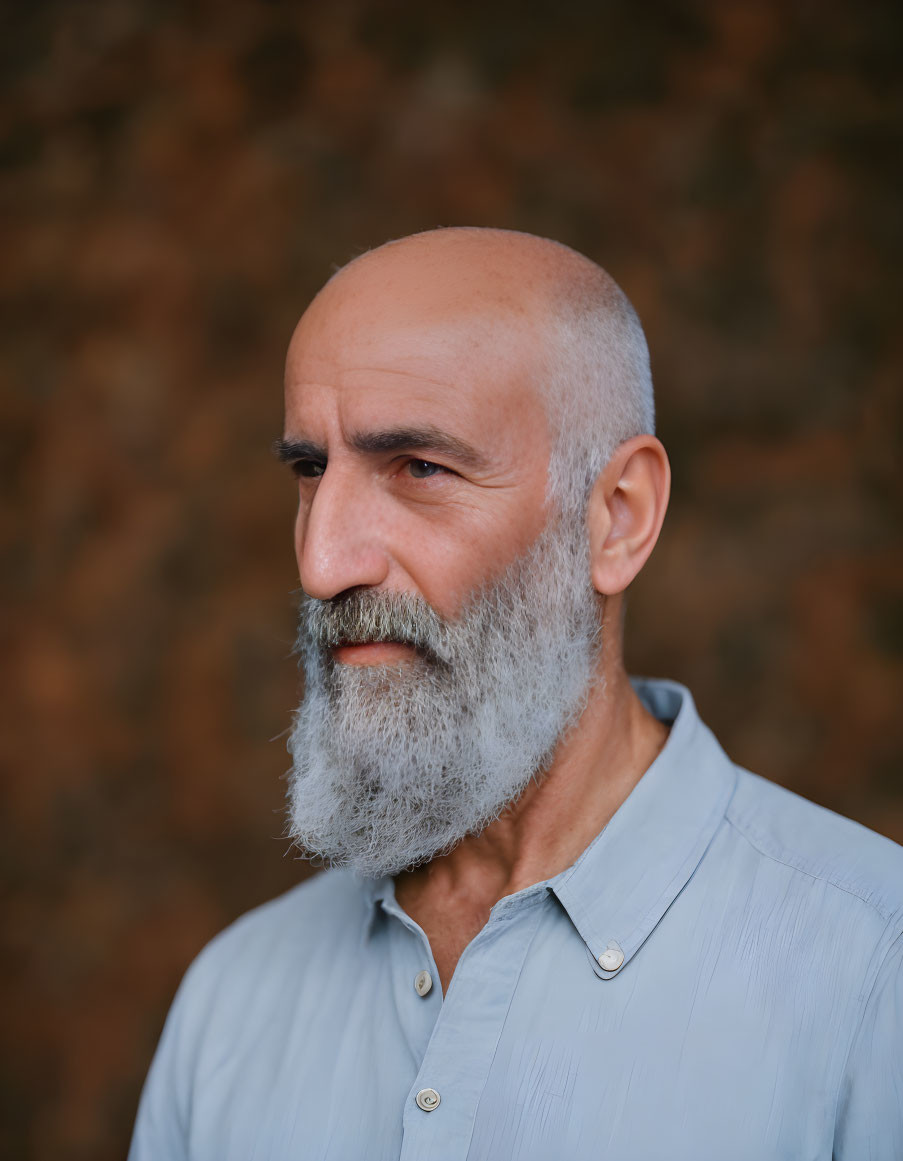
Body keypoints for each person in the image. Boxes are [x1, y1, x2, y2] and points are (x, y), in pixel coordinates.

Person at [129, 228, 903, 1161]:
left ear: (617, 517)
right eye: (309, 470)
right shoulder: (232, 1002)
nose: (322, 560)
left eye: (419, 467)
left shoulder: (873, 973)